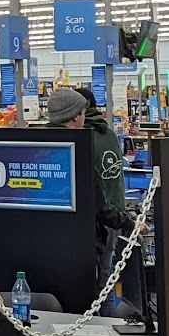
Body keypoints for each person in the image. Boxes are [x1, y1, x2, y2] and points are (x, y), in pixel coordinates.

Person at [48, 85, 130, 295]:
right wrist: (129, 222)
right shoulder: (85, 147)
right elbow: (99, 204)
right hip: (87, 236)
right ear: (75, 116)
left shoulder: (36, 145)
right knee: (103, 284)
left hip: (48, 241)